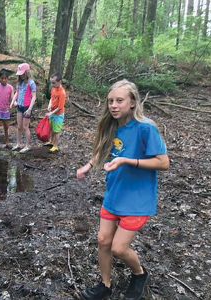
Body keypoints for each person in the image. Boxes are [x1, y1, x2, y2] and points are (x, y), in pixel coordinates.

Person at [76, 79, 169, 300]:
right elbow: (103, 150)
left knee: (119, 248)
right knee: (103, 241)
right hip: (114, 194)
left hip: (138, 200)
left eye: (119, 100)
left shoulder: (146, 128)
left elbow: (164, 163)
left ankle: (139, 274)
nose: (114, 105)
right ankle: (105, 285)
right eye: (110, 101)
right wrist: (88, 166)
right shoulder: (112, 125)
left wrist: (128, 161)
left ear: (133, 103)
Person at [10, 63, 37, 153]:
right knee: (19, 126)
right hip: (19, 106)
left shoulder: (31, 83)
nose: (21, 76)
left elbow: (34, 97)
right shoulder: (19, 83)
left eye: (22, 74)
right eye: (20, 74)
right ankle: (18, 143)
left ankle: (27, 145)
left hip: (27, 107)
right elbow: (16, 93)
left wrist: (29, 109)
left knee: (25, 127)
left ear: (26, 72)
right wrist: (13, 101)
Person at [44, 73, 66, 153]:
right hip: (52, 113)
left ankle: (55, 146)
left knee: (56, 131)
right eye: (51, 82)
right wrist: (49, 105)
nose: (52, 84)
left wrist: (51, 113)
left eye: (54, 82)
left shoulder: (62, 93)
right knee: (52, 128)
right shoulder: (53, 89)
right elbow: (51, 98)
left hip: (58, 115)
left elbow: (60, 107)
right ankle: (51, 142)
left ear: (59, 81)